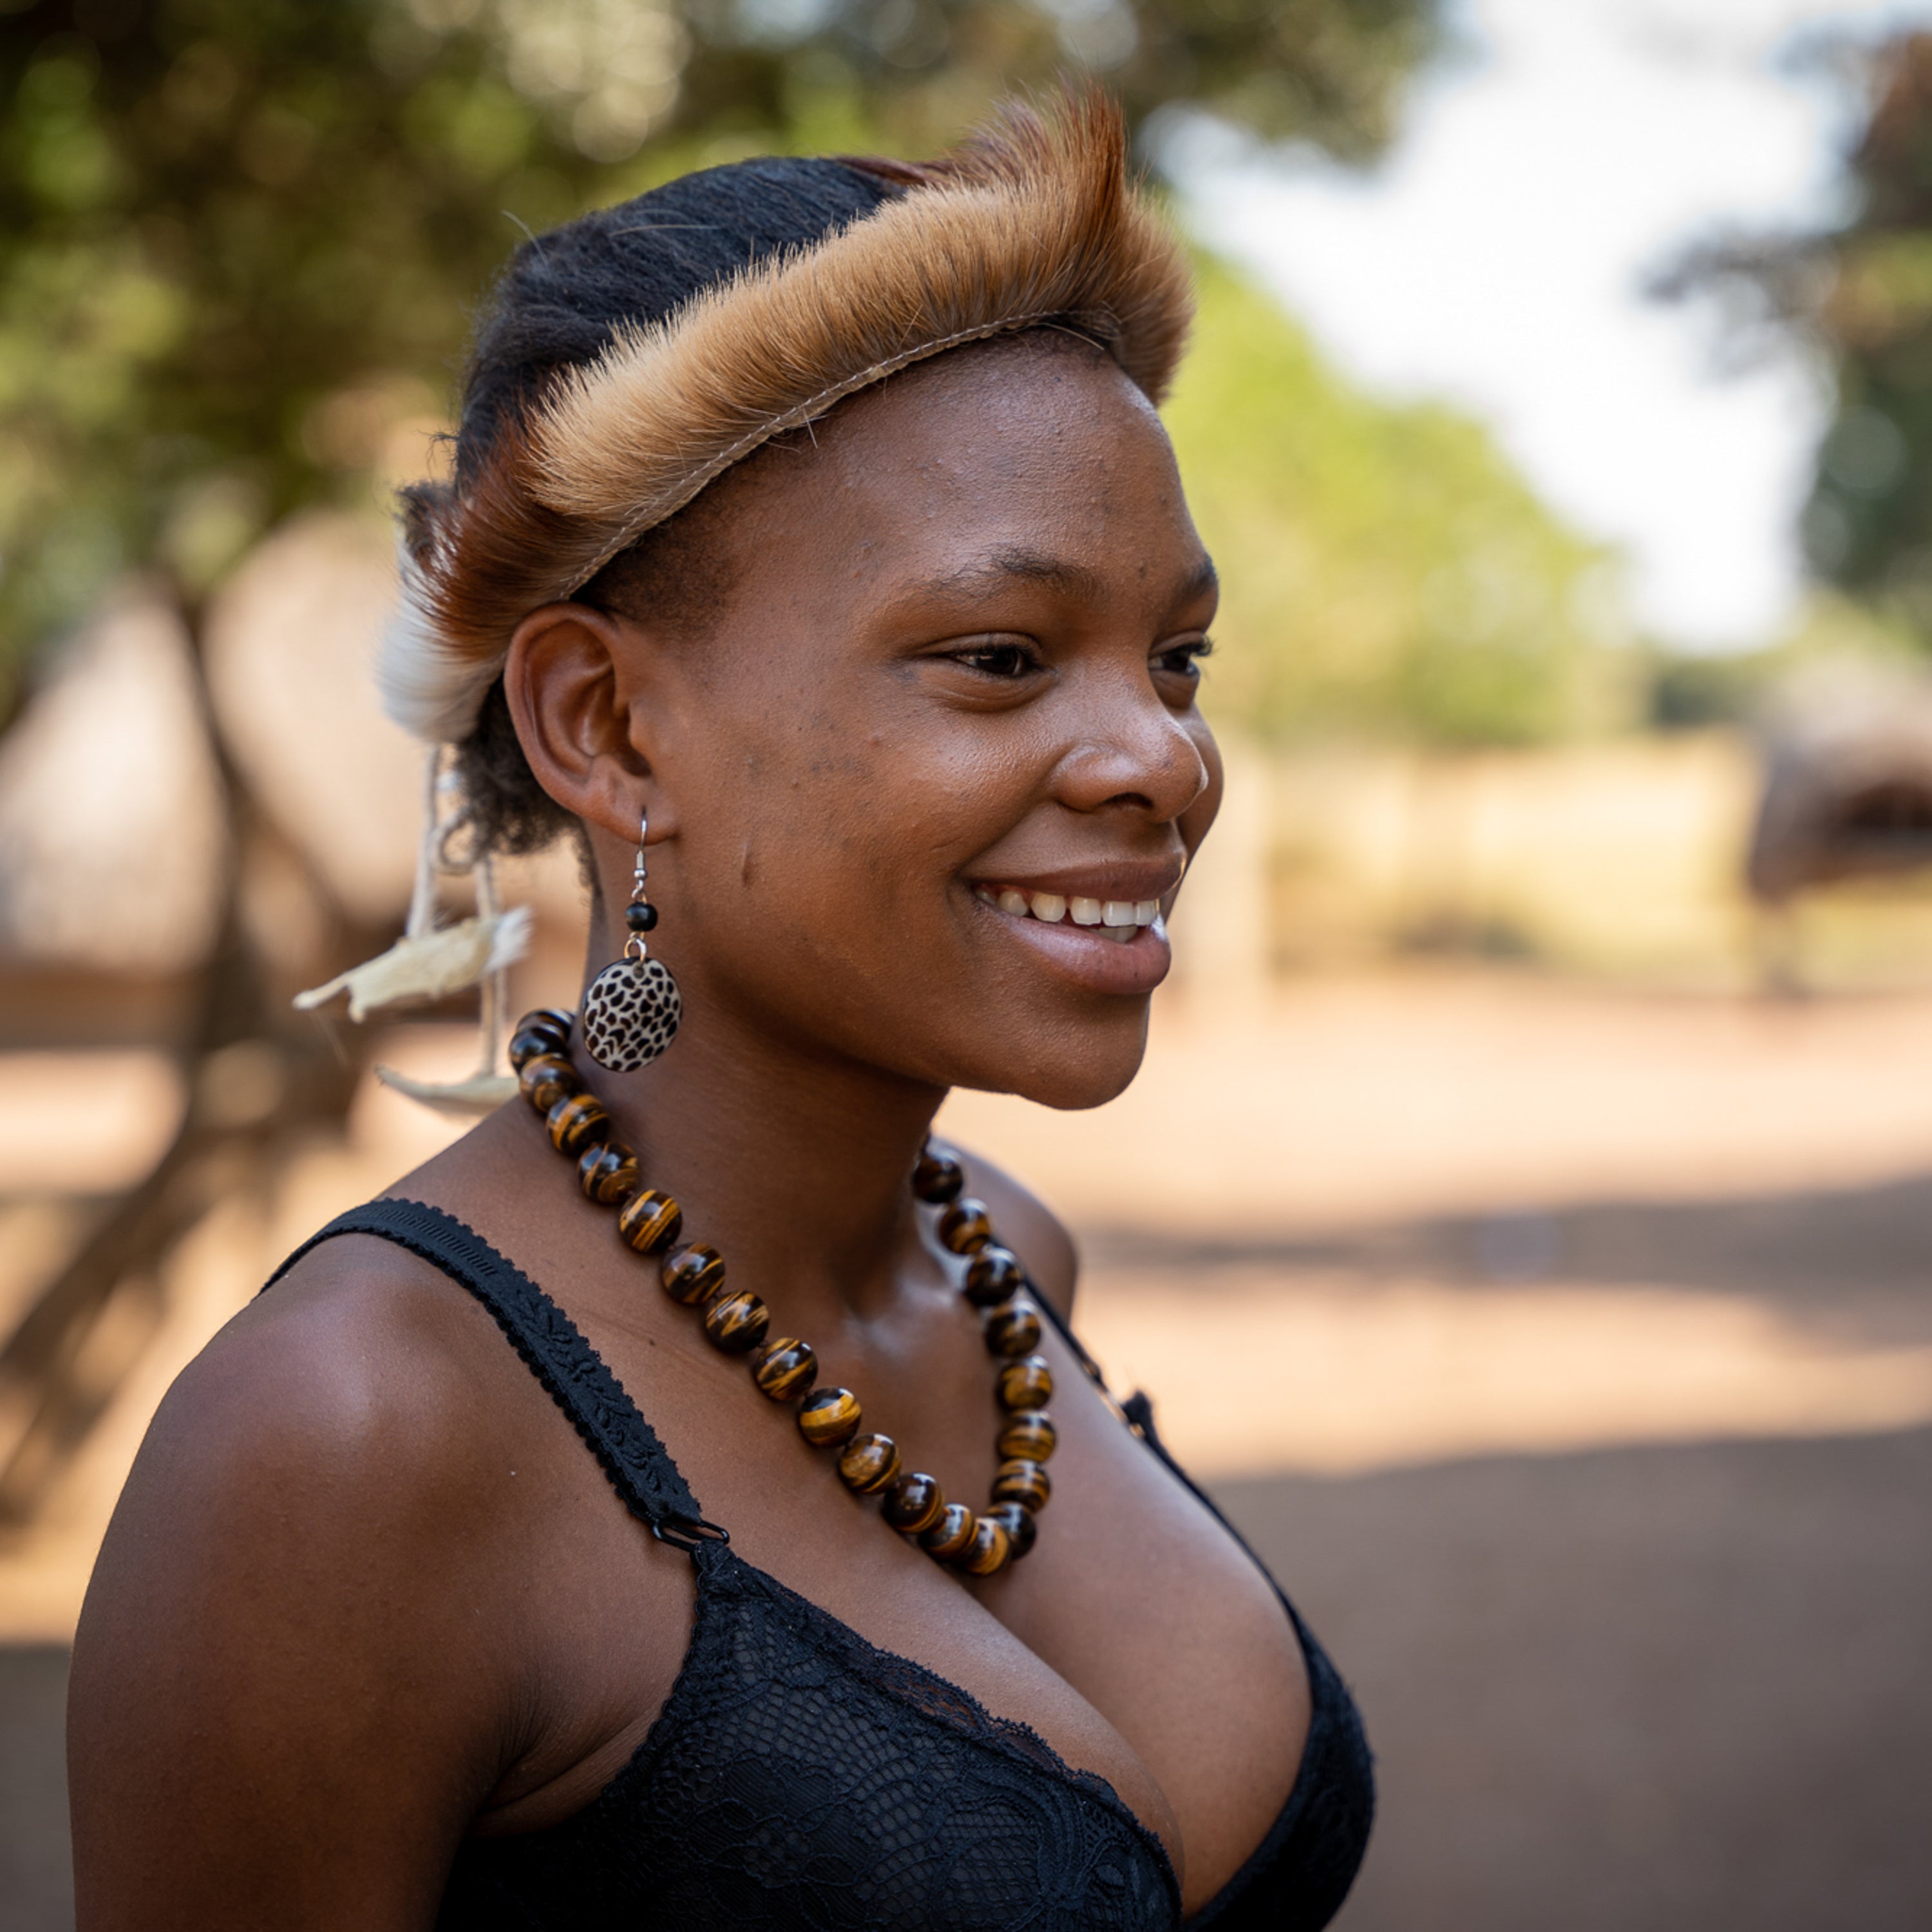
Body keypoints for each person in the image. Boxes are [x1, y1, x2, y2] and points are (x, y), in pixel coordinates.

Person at [66, 93, 1372, 1930]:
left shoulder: (1006, 1265)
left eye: (1178, 660)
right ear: (606, 727)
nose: (1164, 756)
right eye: (1001, 657)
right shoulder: (353, 1436)